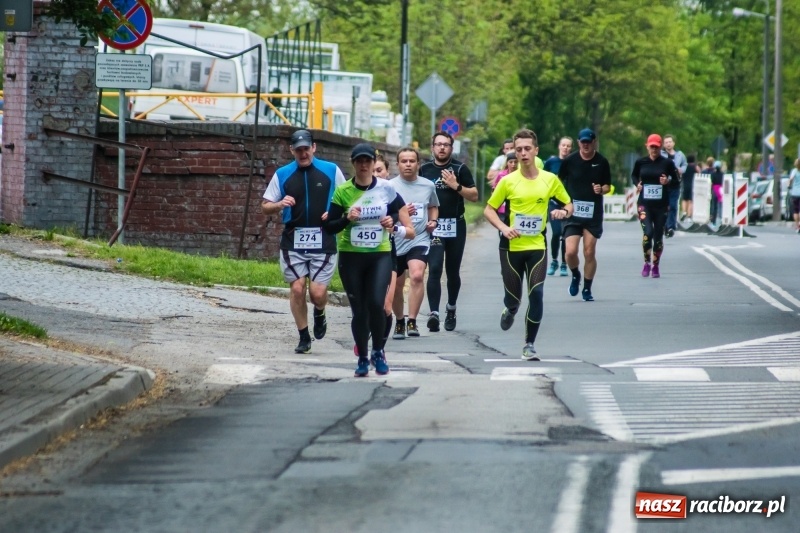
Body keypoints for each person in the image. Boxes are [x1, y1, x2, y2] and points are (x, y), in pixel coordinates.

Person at [323, 143, 414, 377]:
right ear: (353, 164)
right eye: (359, 161)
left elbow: (406, 225)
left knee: (376, 303)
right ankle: (363, 357)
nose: (364, 165)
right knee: (359, 310)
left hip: (379, 255)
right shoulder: (343, 191)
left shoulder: (386, 189)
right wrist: (346, 218)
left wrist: (392, 224)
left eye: (367, 161)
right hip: (351, 257)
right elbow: (329, 226)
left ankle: (378, 351)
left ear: (374, 164)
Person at [484, 128, 573, 360]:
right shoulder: (508, 181)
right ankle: (511, 308)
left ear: (536, 150)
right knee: (514, 298)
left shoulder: (549, 180)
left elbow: (568, 203)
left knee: (537, 293)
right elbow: (489, 210)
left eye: (527, 149)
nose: (523, 154)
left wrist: (563, 212)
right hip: (511, 248)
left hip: (537, 247)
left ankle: (529, 344)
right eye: (518, 149)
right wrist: (504, 228)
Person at [261, 129, 346, 354]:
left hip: (323, 239)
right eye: (298, 150)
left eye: (306, 149)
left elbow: (347, 198)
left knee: (317, 293)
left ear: (314, 147)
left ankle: (320, 311)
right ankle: (303, 336)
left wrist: (335, 214)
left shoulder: (331, 170)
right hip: (293, 240)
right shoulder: (283, 174)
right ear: (292, 150)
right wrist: (279, 205)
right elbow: (265, 206)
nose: (303, 153)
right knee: (297, 289)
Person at [419, 131, 478, 332]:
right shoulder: (424, 169)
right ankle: (434, 313)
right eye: (438, 144)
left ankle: (451, 308)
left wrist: (456, 185)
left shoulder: (460, 168)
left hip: (455, 226)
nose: (442, 147)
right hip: (433, 226)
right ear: (432, 147)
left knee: (452, 271)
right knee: (434, 268)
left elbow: (475, 196)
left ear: (451, 148)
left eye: (446, 144)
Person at [390, 147, 439, 339]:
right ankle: (399, 321)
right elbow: (383, 213)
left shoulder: (428, 186)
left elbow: (433, 206)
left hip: (419, 238)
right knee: (396, 284)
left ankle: (412, 321)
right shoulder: (388, 186)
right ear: (398, 164)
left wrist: (433, 221)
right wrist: (401, 213)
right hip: (396, 239)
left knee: (417, 275)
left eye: (412, 161)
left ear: (418, 164)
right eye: (404, 161)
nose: (408, 164)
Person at [558, 128, 611, 301]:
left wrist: (600, 189)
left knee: (589, 252)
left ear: (594, 142)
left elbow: (607, 186)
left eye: (589, 142)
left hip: (592, 213)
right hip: (573, 212)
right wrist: (563, 202)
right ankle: (575, 275)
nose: (586, 145)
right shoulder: (570, 161)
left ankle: (587, 288)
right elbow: (559, 182)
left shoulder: (602, 162)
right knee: (570, 252)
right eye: (583, 142)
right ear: (578, 142)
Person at [631, 134, 680, 278]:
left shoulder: (667, 163)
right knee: (648, 233)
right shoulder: (641, 162)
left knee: (658, 236)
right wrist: (637, 184)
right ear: (647, 146)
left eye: (656, 147)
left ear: (660, 148)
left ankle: (656, 265)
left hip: (661, 206)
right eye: (651, 147)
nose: (654, 150)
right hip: (644, 204)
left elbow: (677, 180)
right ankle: (647, 263)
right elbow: (634, 176)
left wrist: (668, 181)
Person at [544, 136, 574, 276]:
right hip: (553, 202)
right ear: (559, 146)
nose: (565, 148)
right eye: (563, 145)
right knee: (556, 233)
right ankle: (554, 260)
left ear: (571, 148)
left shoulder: (574, 162)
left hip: (568, 204)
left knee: (565, 235)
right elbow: (542, 179)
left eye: (568, 146)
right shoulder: (551, 162)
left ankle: (563, 263)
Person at [661, 134, 687, 237]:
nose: (668, 144)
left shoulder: (680, 155)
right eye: (666, 142)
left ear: (673, 143)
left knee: (673, 205)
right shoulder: (661, 155)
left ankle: (671, 226)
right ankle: (664, 225)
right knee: (663, 207)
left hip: (675, 184)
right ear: (663, 144)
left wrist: (681, 170)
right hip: (664, 184)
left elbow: (685, 165)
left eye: (670, 142)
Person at [680, 154, 699, 223]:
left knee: (684, 199)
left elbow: (681, 174)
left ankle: (684, 211)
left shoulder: (684, 167)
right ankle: (689, 215)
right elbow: (699, 173)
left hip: (685, 185)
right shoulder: (694, 167)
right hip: (692, 185)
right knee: (691, 201)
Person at [709, 160, 724, 225]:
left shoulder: (712, 174)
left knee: (714, 206)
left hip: (714, 189)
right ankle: (721, 219)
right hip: (721, 189)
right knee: (720, 205)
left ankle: (713, 220)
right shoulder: (722, 174)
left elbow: (711, 182)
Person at [789, 159, 800, 232]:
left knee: (795, 211)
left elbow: (791, 179)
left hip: (795, 193)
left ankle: (797, 225)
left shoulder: (794, 171)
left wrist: (789, 185)